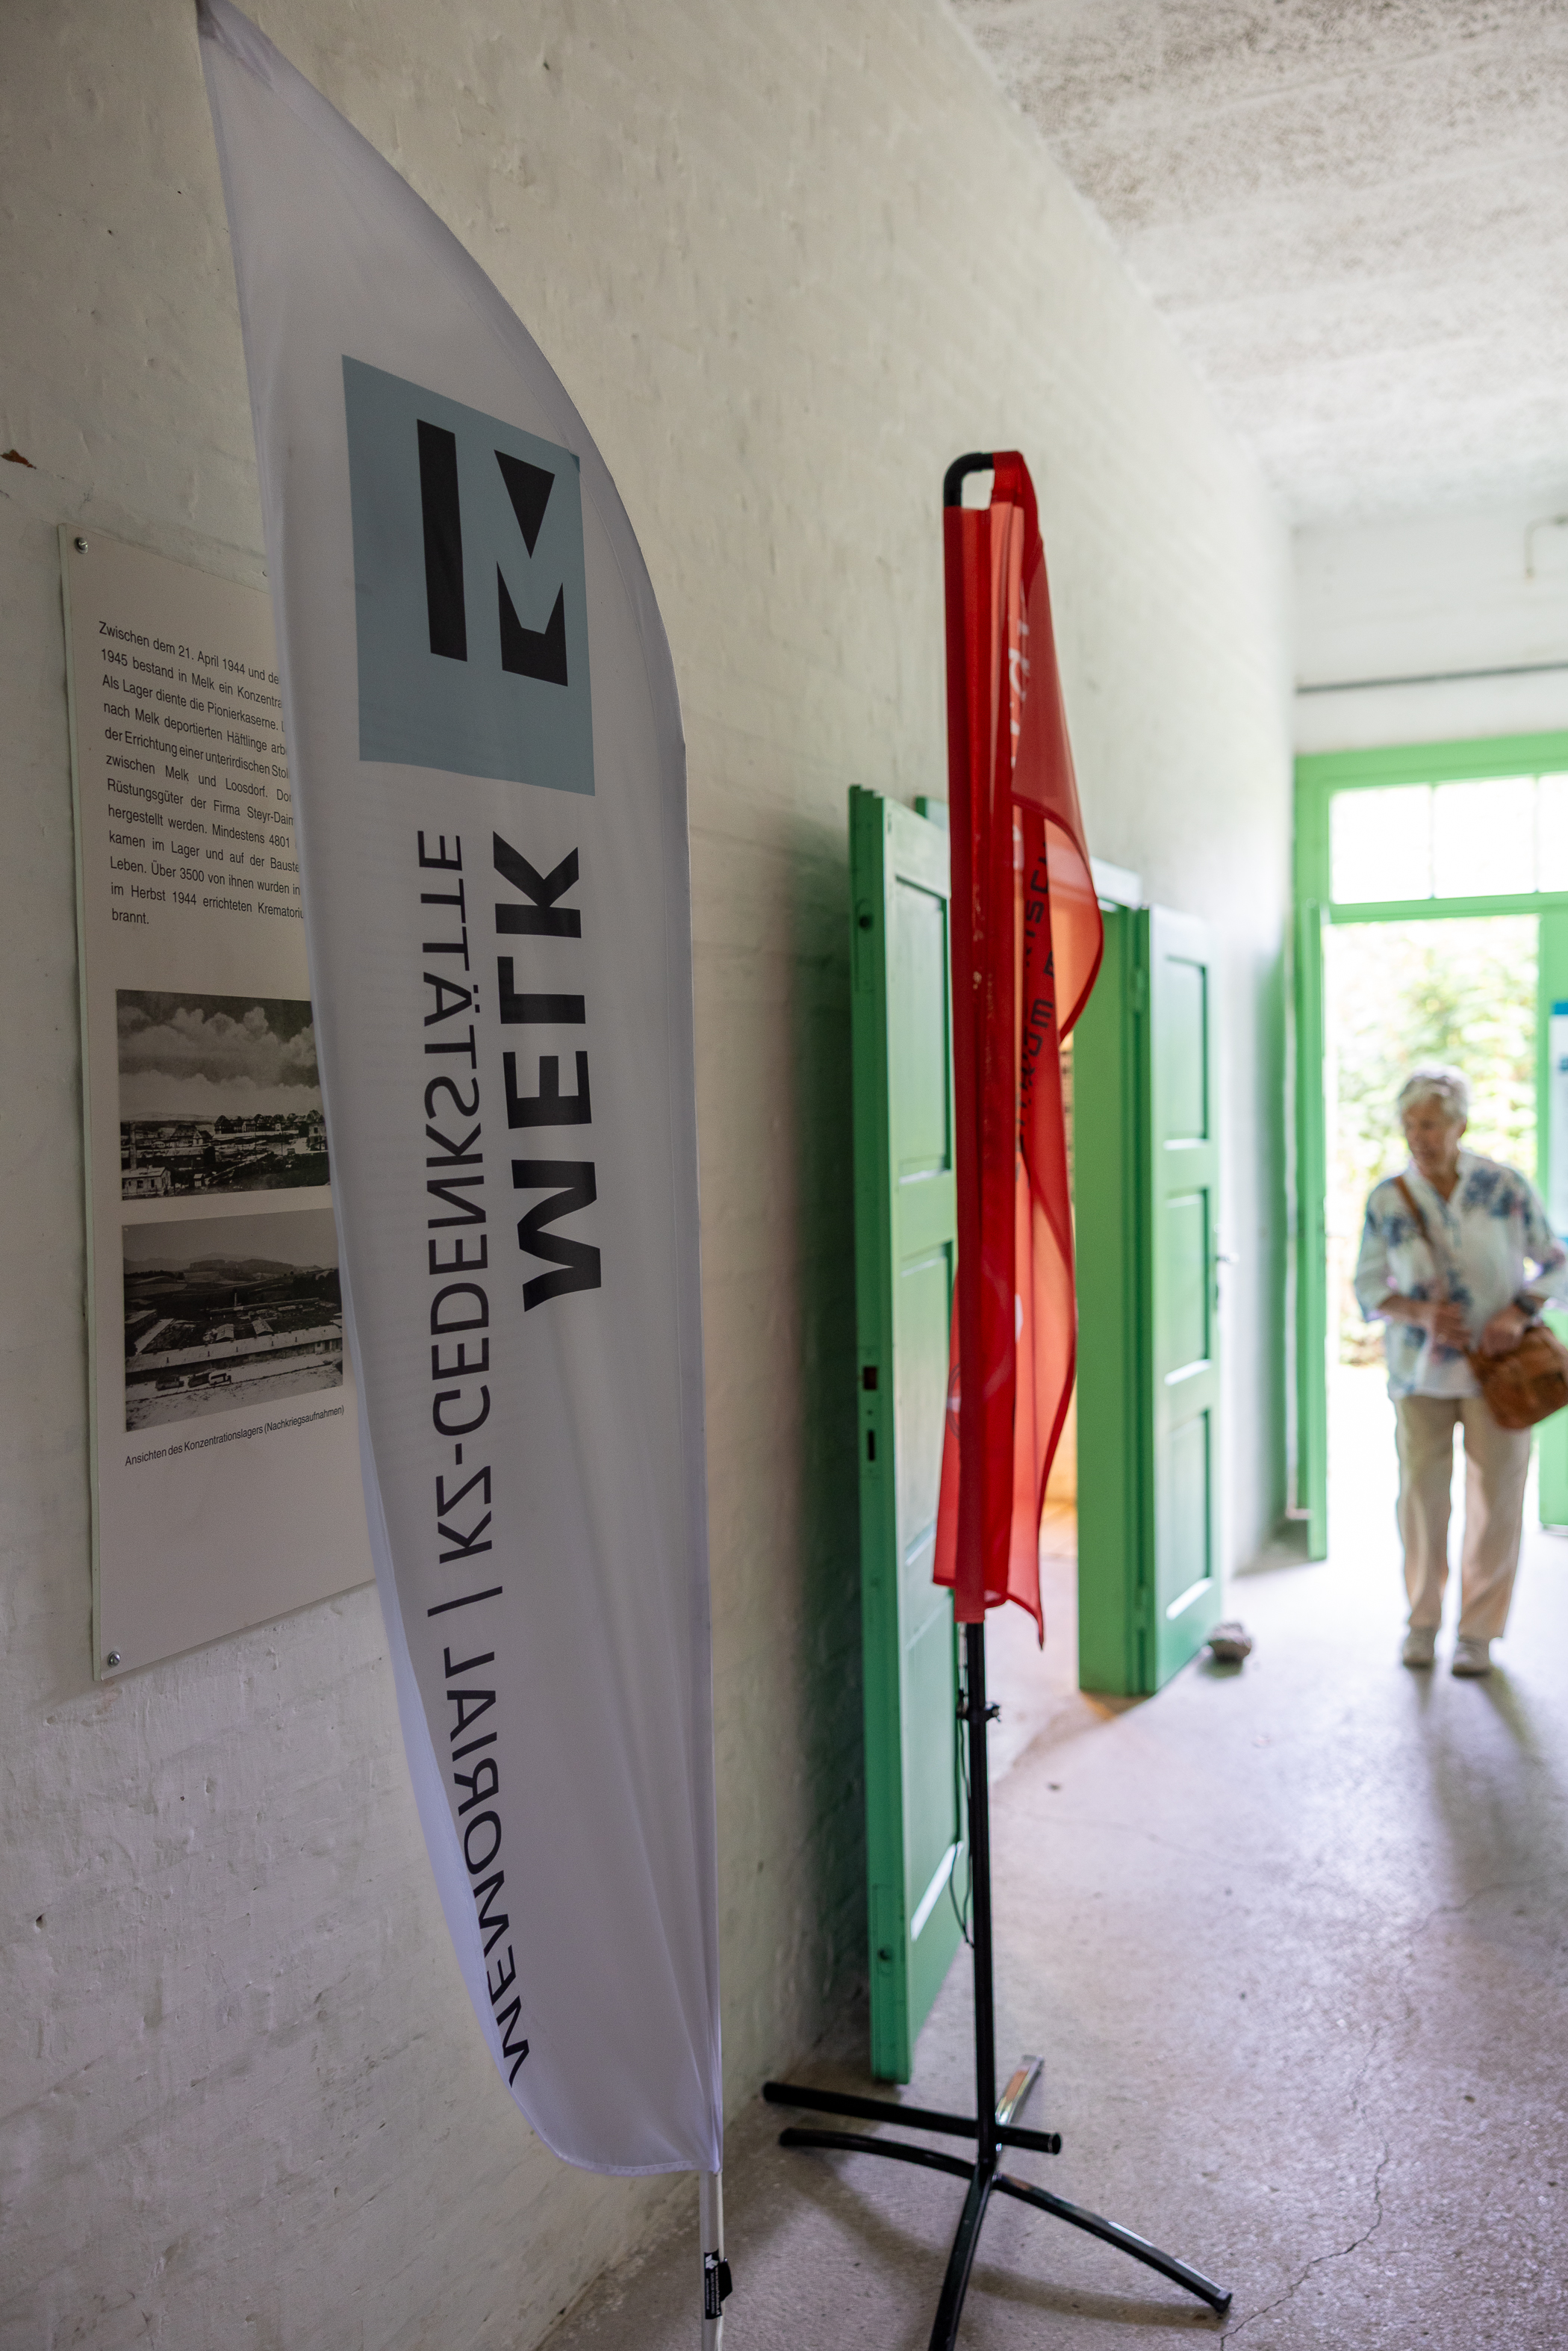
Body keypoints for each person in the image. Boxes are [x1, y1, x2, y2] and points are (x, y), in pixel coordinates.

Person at [1354, 1063, 1567, 1676]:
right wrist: (1420, 1312)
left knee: (1497, 1500)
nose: (1419, 1136)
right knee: (1422, 1500)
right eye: (1411, 1123)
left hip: (1501, 1373)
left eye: (1432, 1124)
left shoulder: (1504, 1187)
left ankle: (1478, 1632)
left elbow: (1557, 1261)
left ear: (1460, 1127)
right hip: (1419, 1373)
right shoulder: (1389, 1199)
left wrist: (1519, 1311)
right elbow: (1368, 1287)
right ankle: (1422, 1622)